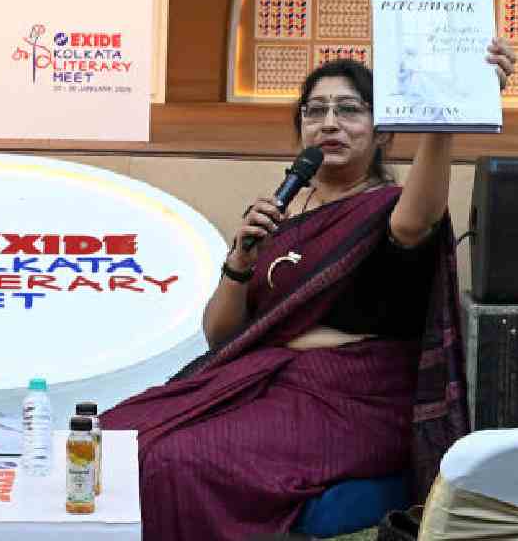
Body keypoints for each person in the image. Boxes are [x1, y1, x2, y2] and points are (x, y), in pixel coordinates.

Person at [99, 40, 516, 541]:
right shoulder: (286, 215)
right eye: (315, 111)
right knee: (120, 432)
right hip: (269, 385)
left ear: (383, 132)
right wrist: (239, 262)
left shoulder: (389, 210)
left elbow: (420, 213)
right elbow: (221, 337)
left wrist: (449, 116)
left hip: (353, 404)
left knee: (177, 460)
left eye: (349, 110)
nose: (330, 123)